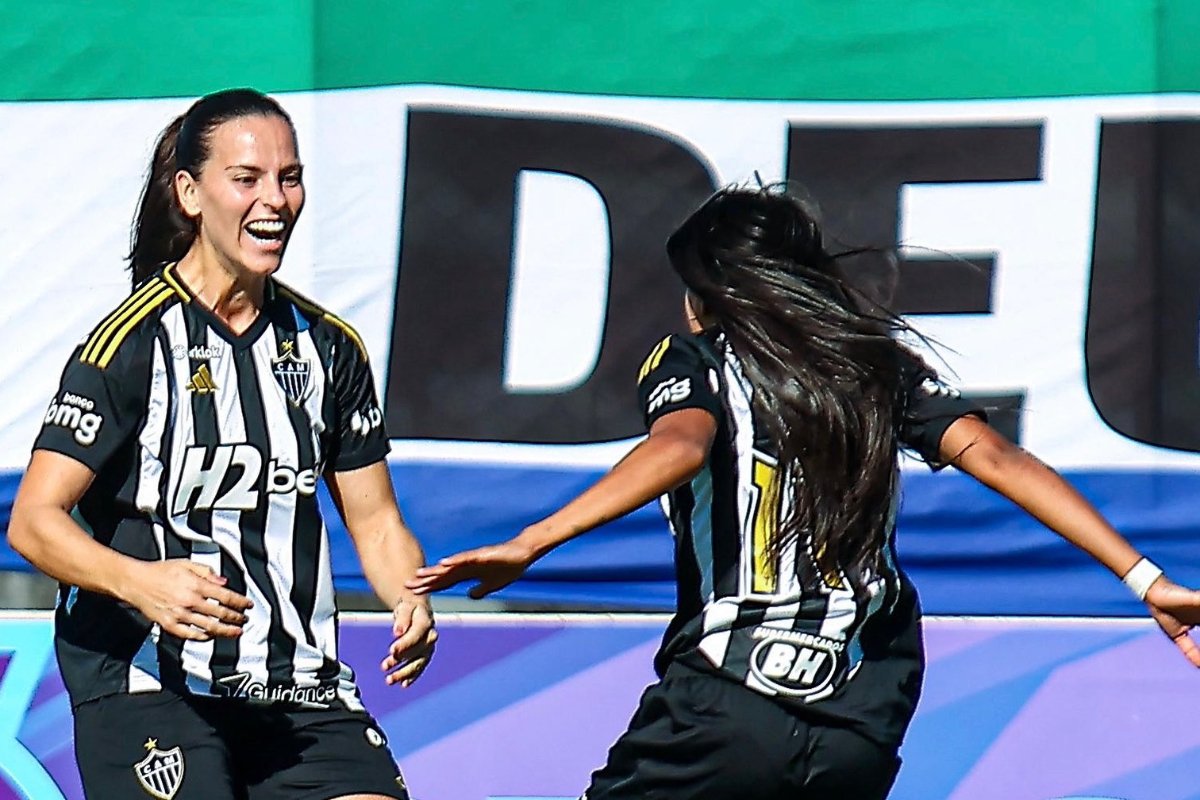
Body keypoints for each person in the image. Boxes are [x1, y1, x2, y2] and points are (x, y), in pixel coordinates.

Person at [407, 183, 1200, 800]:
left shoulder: (697, 360)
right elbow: (996, 458)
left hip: (726, 700)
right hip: (861, 713)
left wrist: (531, 542)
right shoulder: (875, 365)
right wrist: (1146, 579)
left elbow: (679, 447)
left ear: (710, 292)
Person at [8, 88, 435, 800]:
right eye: (247, 179)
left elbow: (378, 523)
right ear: (190, 194)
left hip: (298, 689)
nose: (275, 200)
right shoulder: (130, 346)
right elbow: (33, 521)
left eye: (289, 178)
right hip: (148, 680)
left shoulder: (330, 349)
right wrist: (141, 582)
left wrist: (409, 598)